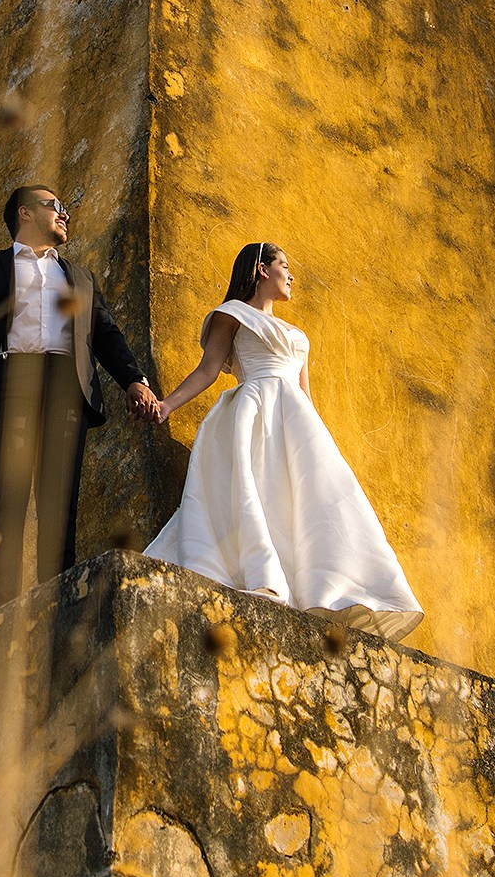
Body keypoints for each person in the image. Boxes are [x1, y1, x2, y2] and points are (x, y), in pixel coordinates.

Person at [143, 243, 422, 640]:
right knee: (257, 491)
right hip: (253, 413)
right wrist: (167, 405)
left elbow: (304, 396)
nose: (291, 276)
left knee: (307, 502)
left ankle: (320, 589)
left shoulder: (298, 335)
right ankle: (262, 575)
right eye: (284, 266)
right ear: (261, 270)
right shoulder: (232, 315)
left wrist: (319, 445)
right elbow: (207, 370)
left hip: (296, 422)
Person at [0, 184, 158, 611]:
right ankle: (0, 602)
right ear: (25, 213)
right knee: (10, 491)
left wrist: (135, 380)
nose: (65, 213)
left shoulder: (77, 277)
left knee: (59, 495)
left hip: (67, 386)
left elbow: (106, 335)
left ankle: (57, 598)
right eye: (55, 206)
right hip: (8, 382)